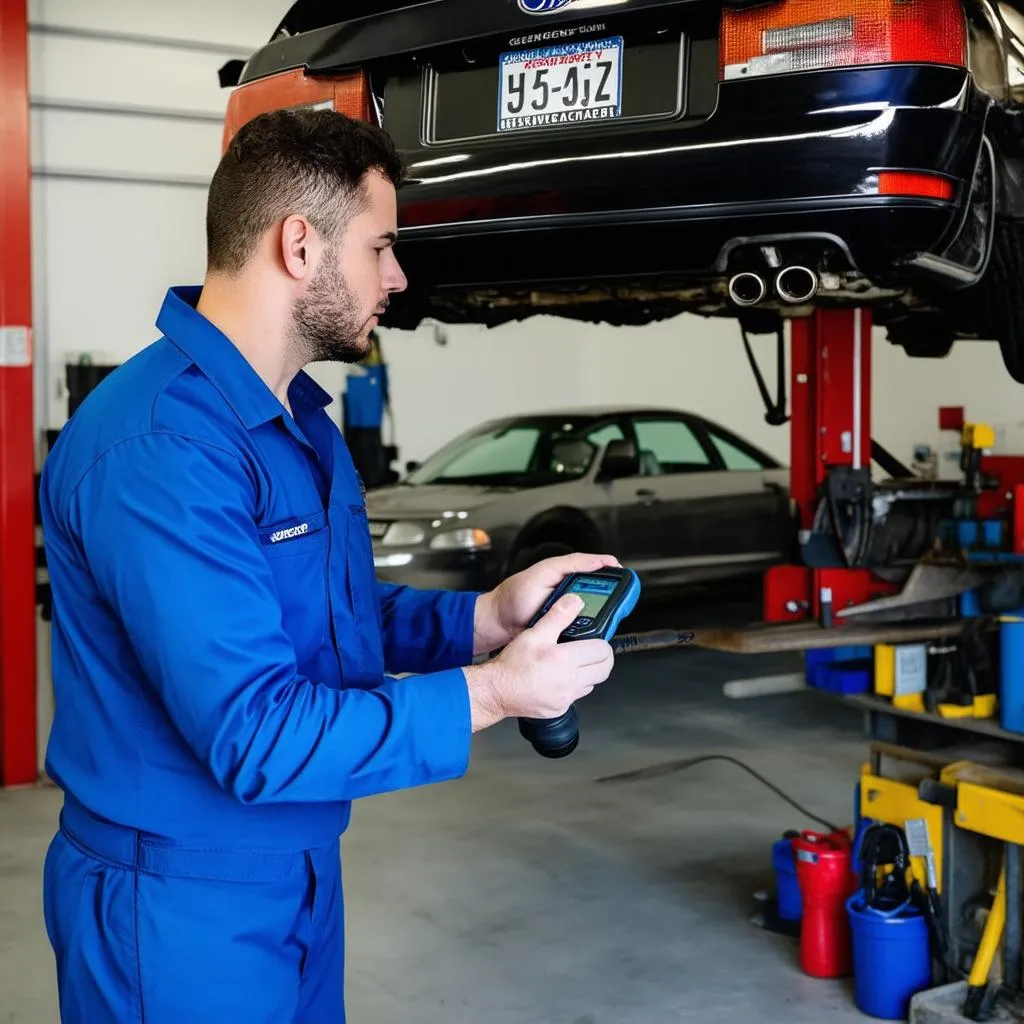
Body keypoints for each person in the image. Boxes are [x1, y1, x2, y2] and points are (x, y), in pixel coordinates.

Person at [38, 108, 618, 1024]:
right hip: (179, 902)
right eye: (381, 246)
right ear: (299, 246)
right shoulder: (161, 449)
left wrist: (486, 620)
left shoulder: (296, 419)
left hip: (296, 866)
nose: (397, 274)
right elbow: (255, 733)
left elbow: (329, 614)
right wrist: (494, 694)